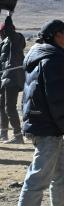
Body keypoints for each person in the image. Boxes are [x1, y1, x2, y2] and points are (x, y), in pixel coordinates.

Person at [13, 19, 64, 206]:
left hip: (44, 123)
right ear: (56, 35)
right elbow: (57, 99)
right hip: (47, 126)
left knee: (61, 173)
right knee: (39, 175)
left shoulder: (46, 56)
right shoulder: (53, 60)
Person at [1, 15, 26, 143]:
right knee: (2, 106)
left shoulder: (15, 40)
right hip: (5, 79)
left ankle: (18, 136)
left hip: (12, 79)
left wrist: (8, 16)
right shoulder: (4, 44)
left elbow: (10, 31)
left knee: (10, 107)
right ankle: (3, 133)